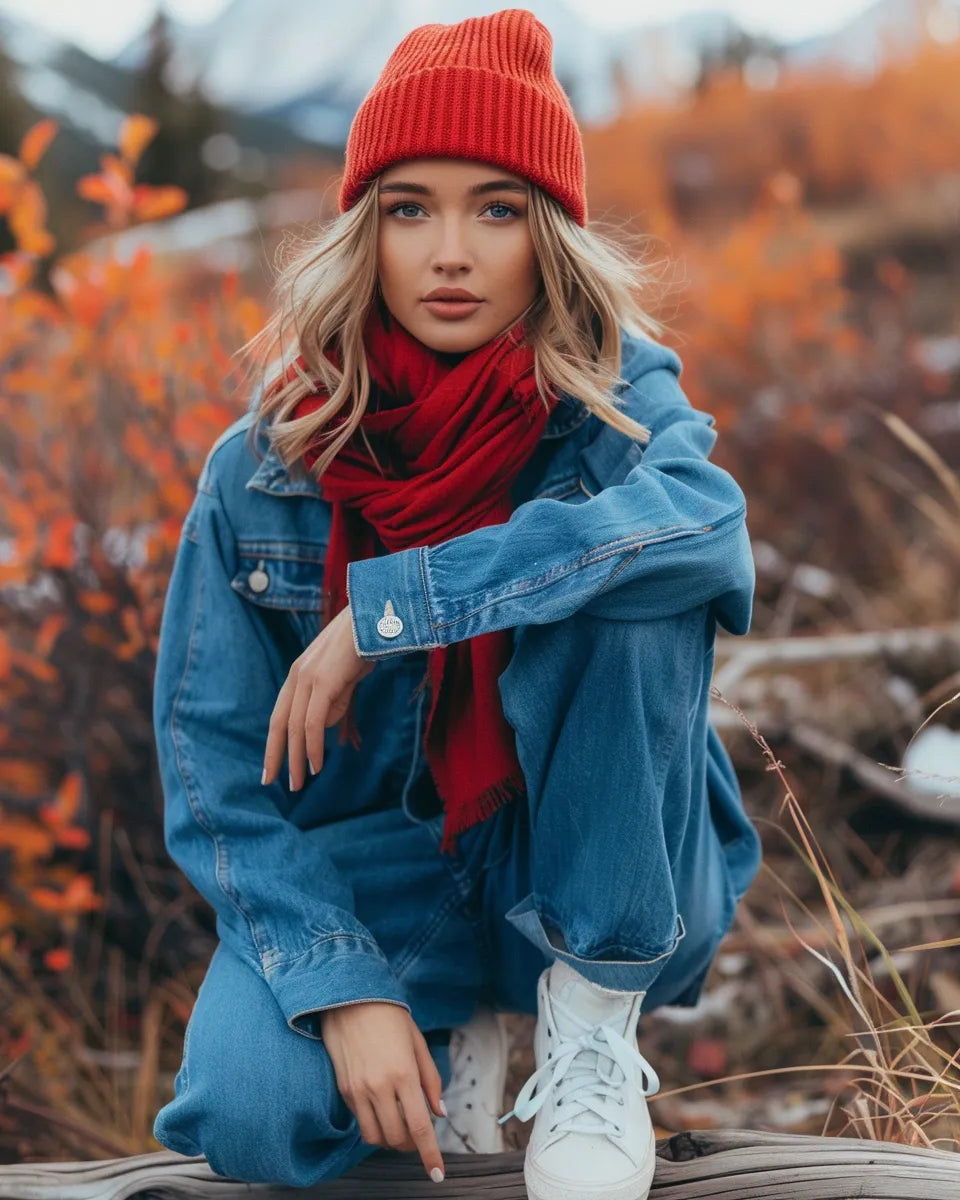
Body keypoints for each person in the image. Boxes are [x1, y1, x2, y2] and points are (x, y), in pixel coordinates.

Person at [151, 9, 762, 1199]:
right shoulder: (264, 464)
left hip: (591, 855)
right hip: (391, 864)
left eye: (496, 209)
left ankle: (585, 1026)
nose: (450, 253)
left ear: (548, 237)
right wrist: (344, 986)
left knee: (632, 578)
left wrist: (395, 607)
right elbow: (213, 775)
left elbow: (710, 527)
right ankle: (452, 1022)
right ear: (362, 231)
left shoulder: (615, 412)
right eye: (408, 208)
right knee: (246, 1114)